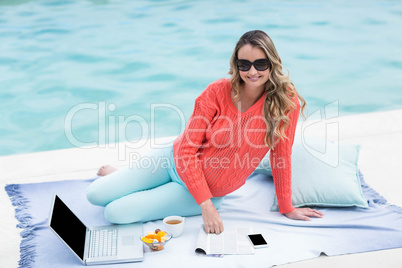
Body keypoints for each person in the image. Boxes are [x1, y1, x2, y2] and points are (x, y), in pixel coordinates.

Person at [86, 30, 324, 235]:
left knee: (114, 212)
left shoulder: (285, 101)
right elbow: (187, 149)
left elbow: (280, 155)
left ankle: (128, 181)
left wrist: (286, 206)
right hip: (172, 159)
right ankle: (121, 177)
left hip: (201, 192)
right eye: (244, 64)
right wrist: (206, 208)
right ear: (236, 64)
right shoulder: (217, 91)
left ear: (272, 63)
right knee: (95, 194)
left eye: (260, 64)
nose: (252, 71)